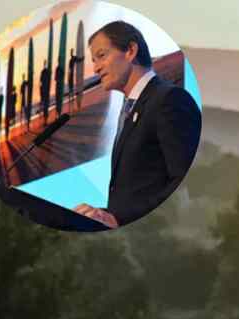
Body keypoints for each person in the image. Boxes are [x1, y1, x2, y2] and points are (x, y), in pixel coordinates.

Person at [74, 21, 201, 229]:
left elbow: (182, 183)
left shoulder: (170, 100)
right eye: (94, 60)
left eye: (102, 55)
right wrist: (102, 214)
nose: (96, 68)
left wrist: (120, 218)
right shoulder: (130, 108)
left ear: (131, 51)